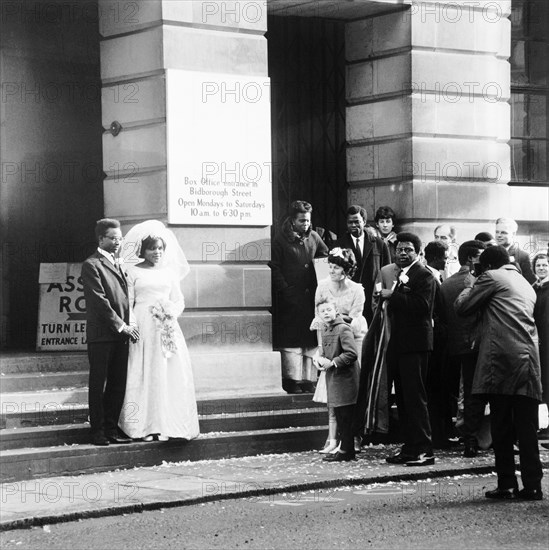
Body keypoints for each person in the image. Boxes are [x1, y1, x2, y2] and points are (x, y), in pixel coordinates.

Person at [455, 246, 543, 500]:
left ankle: (507, 484)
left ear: (489, 265)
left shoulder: (491, 277)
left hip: (501, 360)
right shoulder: (525, 283)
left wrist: (470, 284)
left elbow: (462, 307)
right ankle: (533, 486)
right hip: (528, 361)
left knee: (501, 425)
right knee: (526, 427)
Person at [118, 220, 199, 441]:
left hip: (166, 327)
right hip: (143, 324)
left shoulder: (169, 273)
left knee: (168, 372)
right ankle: (144, 426)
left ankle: (168, 425)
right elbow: (129, 303)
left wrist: (170, 312)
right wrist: (133, 326)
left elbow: (179, 300)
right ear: (143, 250)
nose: (157, 252)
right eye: (152, 248)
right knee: (145, 371)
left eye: (160, 248)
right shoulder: (132, 271)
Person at [82, 218, 140, 446]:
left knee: (118, 383)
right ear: (101, 239)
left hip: (121, 336)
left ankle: (110, 429)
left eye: (120, 238)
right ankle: (97, 431)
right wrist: (121, 325)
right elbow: (100, 302)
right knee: (98, 384)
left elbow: (127, 299)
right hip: (102, 336)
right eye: (113, 238)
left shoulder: (119, 264)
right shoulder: (91, 265)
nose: (117, 242)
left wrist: (130, 323)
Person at [383, 232, 437, 466]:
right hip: (400, 344)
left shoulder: (424, 275)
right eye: (399, 249)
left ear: (418, 252)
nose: (402, 253)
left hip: (415, 344)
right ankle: (410, 447)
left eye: (408, 250)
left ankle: (425, 449)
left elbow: (423, 307)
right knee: (403, 398)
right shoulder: (402, 273)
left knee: (415, 397)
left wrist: (391, 296)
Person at [311, 248, 366, 454]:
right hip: (329, 337)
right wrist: (321, 350)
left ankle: (354, 436)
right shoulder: (323, 287)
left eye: (336, 268)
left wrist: (339, 320)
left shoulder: (356, 289)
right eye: (330, 267)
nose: (331, 271)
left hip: (351, 336)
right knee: (333, 387)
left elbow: (356, 317)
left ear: (346, 270)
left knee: (352, 389)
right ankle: (333, 437)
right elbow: (318, 316)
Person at [270, 200, 329, 394]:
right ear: (293, 220)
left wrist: (321, 281)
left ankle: (308, 378)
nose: (305, 224)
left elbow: (323, 255)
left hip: (310, 298)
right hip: (290, 299)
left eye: (308, 221)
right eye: (302, 220)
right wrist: (285, 290)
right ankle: (292, 379)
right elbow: (275, 268)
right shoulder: (281, 239)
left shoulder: (313, 236)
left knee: (310, 339)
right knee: (292, 341)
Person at [440, 240, 487, 457]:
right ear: (471, 258)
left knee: (466, 394)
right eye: (481, 254)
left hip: (456, 347)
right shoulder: (482, 282)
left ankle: (468, 440)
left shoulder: (446, 284)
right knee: (480, 394)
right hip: (480, 346)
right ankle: (476, 438)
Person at [314, 296, 359, 462]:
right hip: (334, 379)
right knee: (340, 416)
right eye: (322, 311)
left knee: (346, 417)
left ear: (336, 311)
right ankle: (345, 450)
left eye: (329, 310)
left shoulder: (342, 329)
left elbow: (351, 354)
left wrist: (332, 363)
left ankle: (347, 451)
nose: (326, 313)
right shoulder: (326, 329)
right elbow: (325, 353)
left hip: (346, 380)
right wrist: (320, 361)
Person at [335, 205, 390, 325]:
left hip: (372, 298)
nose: (353, 225)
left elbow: (386, 271)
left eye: (357, 222)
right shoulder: (339, 245)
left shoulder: (379, 244)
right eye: (350, 222)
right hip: (349, 299)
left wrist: (381, 295)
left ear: (364, 222)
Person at [533, 253, 549, 425]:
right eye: (538, 265)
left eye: (545, 265)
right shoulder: (534, 288)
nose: (542, 268)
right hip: (538, 341)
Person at [494, 217, 536, 283]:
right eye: (497, 232)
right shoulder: (491, 253)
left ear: (513, 234)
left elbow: (530, 282)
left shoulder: (523, 256)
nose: (499, 235)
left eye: (503, 232)